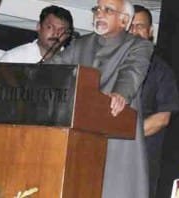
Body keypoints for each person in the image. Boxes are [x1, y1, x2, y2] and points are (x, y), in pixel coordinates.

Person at [45, 0, 153, 197]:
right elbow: (52, 70)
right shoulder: (79, 45)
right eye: (97, 9)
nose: (99, 14)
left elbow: (132, 72)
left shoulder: (138, 46)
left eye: (108, 10)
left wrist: (121, 94)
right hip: (79, 138)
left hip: (117, 136)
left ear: (124, 20)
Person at [129, 4, 179, 197]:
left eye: (140, 26)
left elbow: (162, 118)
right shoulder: (108, 66)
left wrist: (124, 135)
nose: (134, 31)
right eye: (130, 26)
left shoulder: (161, 70)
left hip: (142, 159)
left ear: (150, 32)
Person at [0, 5, 73, 63]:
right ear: (38, 27)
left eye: (61, 31)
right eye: (50, 27)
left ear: (68, 35)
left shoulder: (72, 63)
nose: (56, 34)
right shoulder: (13, 59)